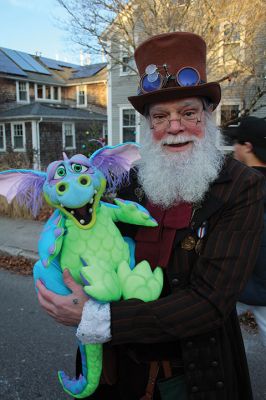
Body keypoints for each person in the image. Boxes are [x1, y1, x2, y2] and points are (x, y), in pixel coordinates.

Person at [36, 32, 265, 400]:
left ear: (207, 116)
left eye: (188, 113)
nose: (174, 127)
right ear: (148, 126)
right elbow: (98, 247)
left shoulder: (241, 187)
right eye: (161, 116)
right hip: (119, 371)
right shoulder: (129, 181)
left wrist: (95, 319)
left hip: (194, 375)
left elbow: (211, 301)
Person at [232, 116, 266, 347]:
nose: (233, 147)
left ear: (248, 146)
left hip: (242, 279)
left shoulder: (242, 186)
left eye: (236, 142)